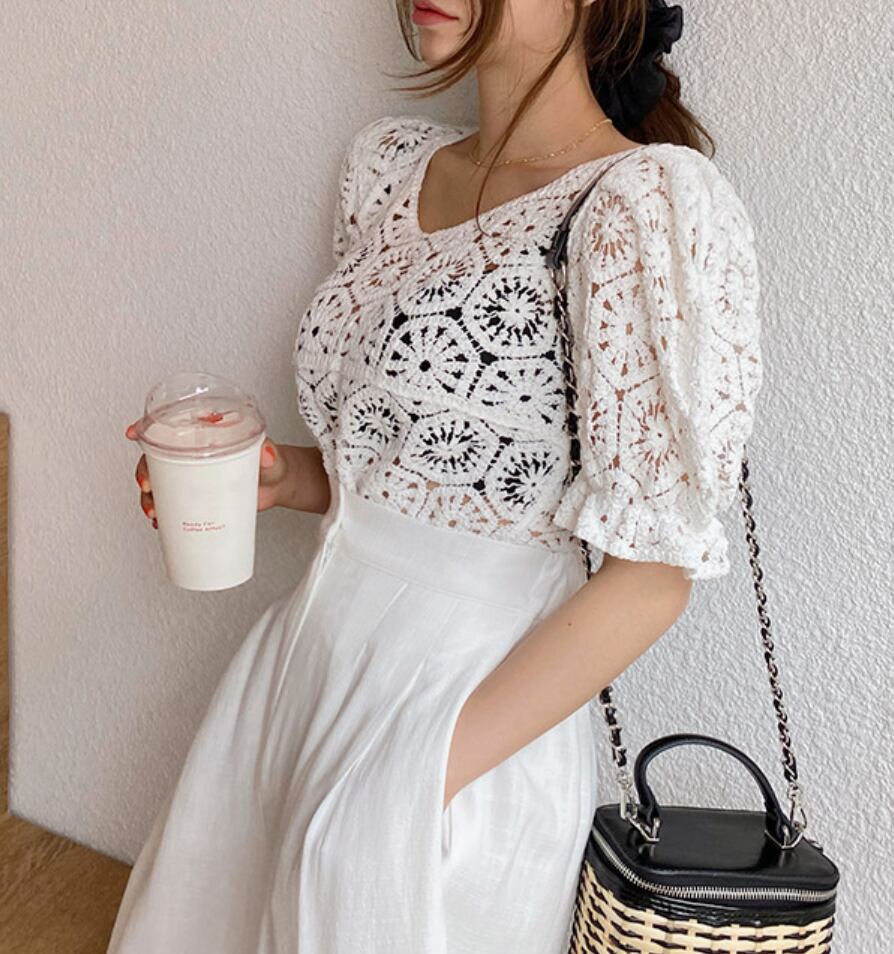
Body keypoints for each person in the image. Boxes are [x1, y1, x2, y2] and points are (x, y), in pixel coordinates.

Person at [110, 0, 763, 951]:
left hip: (463, 725)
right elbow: (430, 478)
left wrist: (424, 774)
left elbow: (653, 575)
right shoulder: (390, 171)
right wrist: (285, 479)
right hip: (297, 679)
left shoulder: (638, 202)